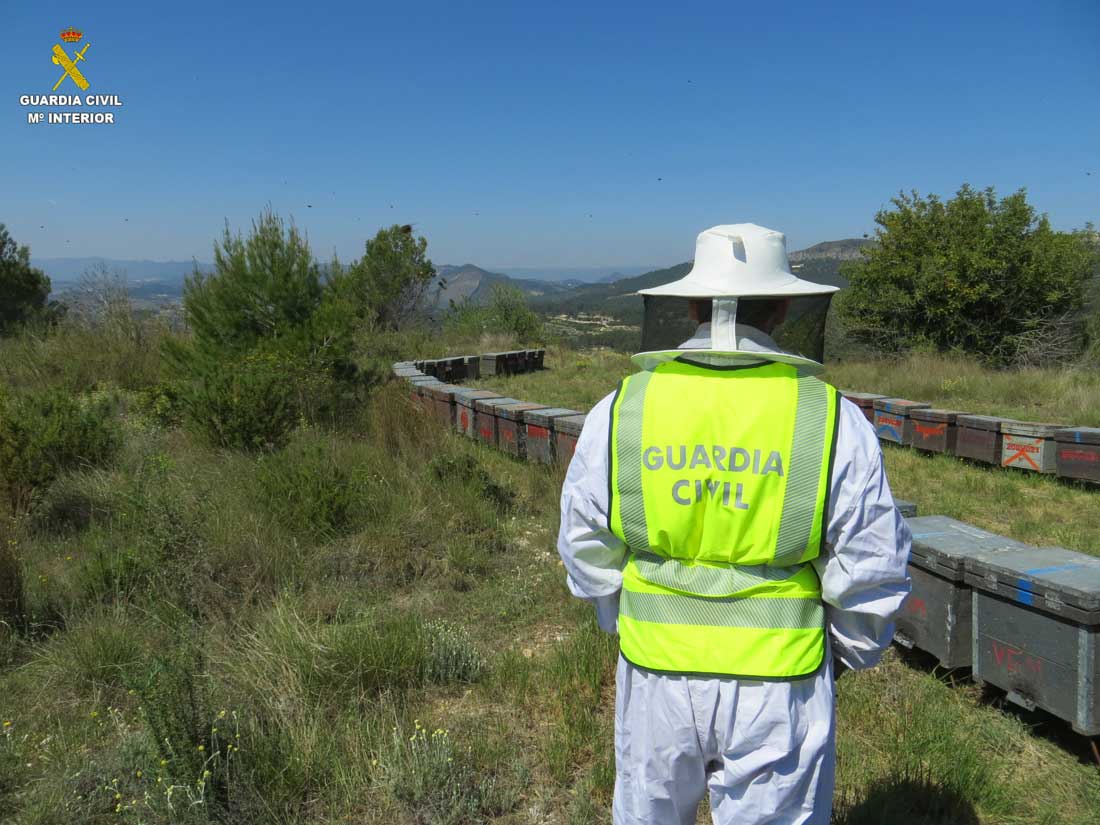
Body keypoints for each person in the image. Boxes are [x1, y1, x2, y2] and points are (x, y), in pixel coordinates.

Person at [557, 223, 911, 824]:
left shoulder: (623, 407)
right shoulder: (831, 417)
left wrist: (619, 619)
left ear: (691, 304)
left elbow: (585, 543)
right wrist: (849, 651)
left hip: (654, 676)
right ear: (782, 308)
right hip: (781, 685)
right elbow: (870, 561)